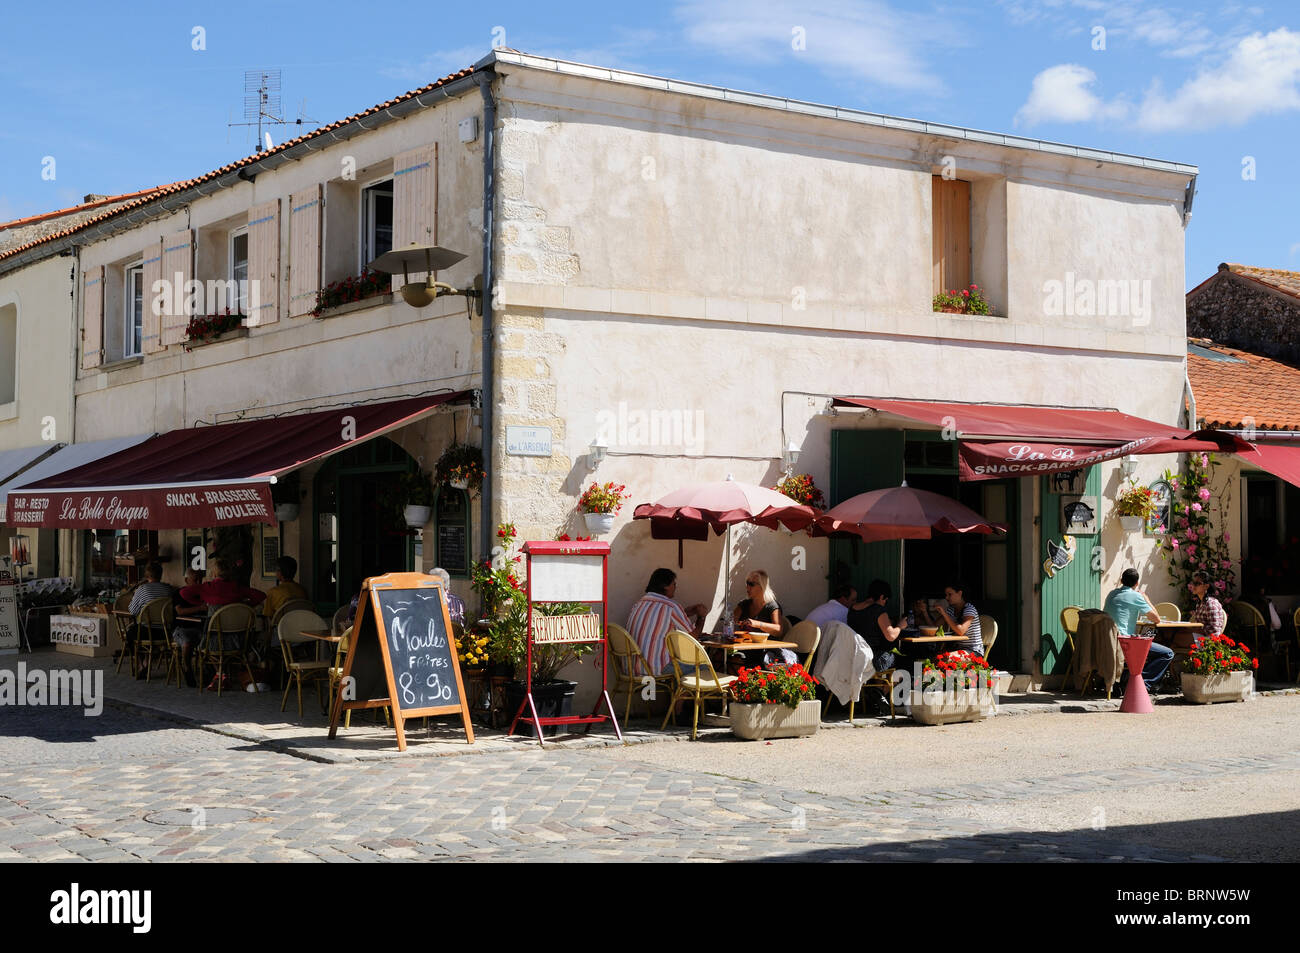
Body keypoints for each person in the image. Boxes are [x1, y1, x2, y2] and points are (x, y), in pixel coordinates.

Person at [1103, 567, 1173, 693]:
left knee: (1149, 650)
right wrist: (1147, 600)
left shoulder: (1111, 594)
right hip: (1125, 643)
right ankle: (1140, 684)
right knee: (1167, 653)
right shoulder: (1135, 596)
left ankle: (1129, 679)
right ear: (1136, 583)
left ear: (1121, 580)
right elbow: (1156, 619)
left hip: (1107, 642)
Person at [628, 568, 706, 674]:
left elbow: (659, 618)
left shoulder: (639, 604)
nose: (675, 587)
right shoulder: (671, 606)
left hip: (632, 667)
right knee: (703, 666)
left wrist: (687, 612)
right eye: (674, 584)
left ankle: (675, 690)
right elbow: (693, 638)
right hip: (656, 668)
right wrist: (701, 617)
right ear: (666, 586)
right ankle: (682, 690)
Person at [846, 579, 903, 716]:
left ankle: (875, 691)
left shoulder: (853, 609)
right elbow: (890, 636)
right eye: (885, 600)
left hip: (855, 656)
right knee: (899, 660)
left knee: (885, 658)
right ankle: (881, 691)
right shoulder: (878, 610)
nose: (885, 603)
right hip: (873, 658)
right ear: (882, 597)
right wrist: (901, 626)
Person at [733, 570, 794, 665]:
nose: (747, 587)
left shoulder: (772, 606)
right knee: (719, 656)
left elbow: (778, 630)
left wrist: (757, 624)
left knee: (735, 661)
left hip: (764, 651)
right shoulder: (744, 604)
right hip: (745, 647)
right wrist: (734, 622)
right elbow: (731, 620)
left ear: (762, 586)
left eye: (751, 584)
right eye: (747, 583)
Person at [124, 562, 173, 678]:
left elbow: (132, 611)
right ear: (160, 575)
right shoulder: (168, 589)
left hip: (146, 631)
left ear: (147, 576)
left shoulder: (142, 589)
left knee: (130, 635)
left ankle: (141, 664)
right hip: (165, 632)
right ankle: (148, 661)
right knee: (152, 641)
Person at [934, 582, 984, 656]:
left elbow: (961, 631)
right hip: (957, 648)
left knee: (944, 658)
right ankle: (917, 667)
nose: (946, 598)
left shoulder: (969, 609)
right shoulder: (951, 610)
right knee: (930, 657)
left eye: (950, 594)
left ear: (960, 593)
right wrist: (924, 612)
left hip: (973, 650)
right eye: (946, 595)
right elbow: (934, 627)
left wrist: (944, 614)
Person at [261, 555, 309, 622]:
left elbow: (268, 615)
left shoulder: (273, 592)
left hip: (282, 629)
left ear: (280, 572)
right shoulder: (302, 590)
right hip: (300, 626)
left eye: (276, 569)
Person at [1188, 571, 1227, 644]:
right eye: (1193, 583)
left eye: (1197, 584)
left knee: (1172, 638)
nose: (1193, 586)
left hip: (1208, 641)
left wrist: (1197, 629)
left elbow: (1214, 630)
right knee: (1171, 635)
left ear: (1206, 586)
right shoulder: (1200, 603)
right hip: (1199, 636)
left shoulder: (1210, 603)